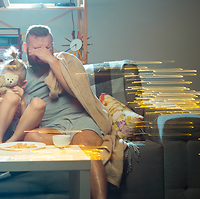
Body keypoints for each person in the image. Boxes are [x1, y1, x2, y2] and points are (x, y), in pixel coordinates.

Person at [22, 24, 125, 199]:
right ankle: (73, 149)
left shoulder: (66, 62)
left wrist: (52, 61)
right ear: (25, 48)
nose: (43, 53)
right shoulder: (22, 73)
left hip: (81, 122)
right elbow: (22, 113)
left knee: (86, 147)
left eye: (48, 48)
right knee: (31, 137)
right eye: (37, 49)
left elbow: (77, 91)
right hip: (52, 128)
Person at [0, 46, 45, 145]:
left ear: (23, 84)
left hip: (17, 133)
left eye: (12, 86)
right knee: (11, 97)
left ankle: (10, 142)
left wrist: (22, 101)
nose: (8, 88)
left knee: (39, 103)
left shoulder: (26, 98)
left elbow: (28, 121)